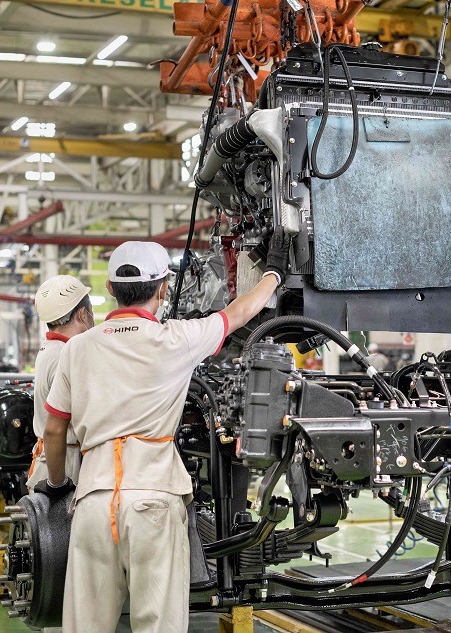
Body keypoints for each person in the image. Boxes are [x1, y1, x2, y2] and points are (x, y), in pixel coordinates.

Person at [38, 230, 290, 633]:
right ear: (163, 288)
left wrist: (57, 486)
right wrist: (273, 273)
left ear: (110, 289)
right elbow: (240, 312)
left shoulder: (76, 349)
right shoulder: (177, 338)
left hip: (93, 502)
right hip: (154, 501)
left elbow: (54, 431)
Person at [27, 275, 94, 492]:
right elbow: (58, 427)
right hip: (63, 464)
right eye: (91, 312)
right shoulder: (64, 355)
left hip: (54, 458)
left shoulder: (52, 349)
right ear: (83, 314)